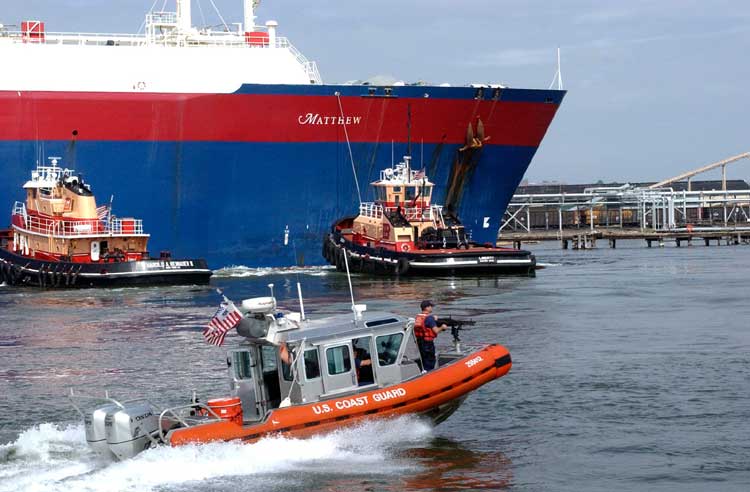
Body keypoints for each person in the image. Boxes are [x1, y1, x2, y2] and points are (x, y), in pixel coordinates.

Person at [413, 300, 447, 371]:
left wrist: (433, 319)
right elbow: (436, 331)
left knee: (424, 359)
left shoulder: (418, 316)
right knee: (430, 360)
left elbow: (424, 325)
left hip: (420, 342)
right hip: (428, 344)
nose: (432, 308)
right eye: (431, 306)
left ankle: (424, 371)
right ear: (427, 308)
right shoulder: (429, 318)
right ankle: (429, 373)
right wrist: (442, 327)